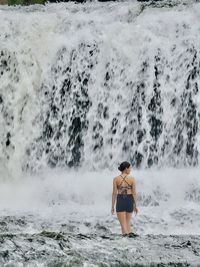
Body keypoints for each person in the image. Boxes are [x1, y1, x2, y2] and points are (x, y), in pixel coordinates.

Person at [111, 161, 138, 237]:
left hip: (120, 200)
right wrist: (135, 205)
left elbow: (114, 193)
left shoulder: (116, 179)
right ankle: (130, 239)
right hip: (129, 200)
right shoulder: (132, 179)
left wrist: (112, 206)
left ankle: (125, 241)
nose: (130, 169)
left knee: (123, 225)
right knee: (127, 223)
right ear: (126, 168)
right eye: (130, 168)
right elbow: (134, 193)